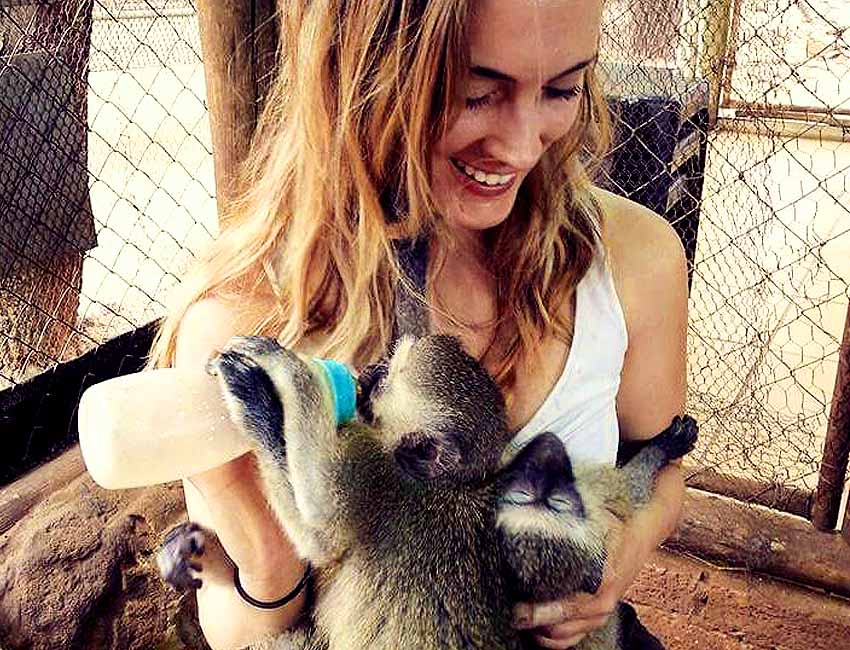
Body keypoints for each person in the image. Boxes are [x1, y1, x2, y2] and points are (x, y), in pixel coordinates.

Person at [147, 1, 688, 648]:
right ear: (363, 71)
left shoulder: (635, 259)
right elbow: (243, 631)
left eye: (562, 89)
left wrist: (620, 554)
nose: (522, 146)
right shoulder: (248, 324)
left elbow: (662, 472)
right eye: (476, 93)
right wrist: (262, 549)